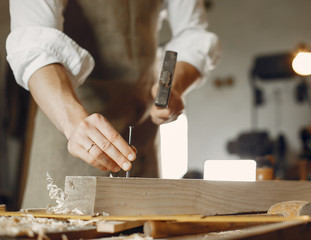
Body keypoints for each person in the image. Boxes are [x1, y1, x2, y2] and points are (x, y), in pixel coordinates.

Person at [6, 0, 220, 208]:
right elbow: (33, 44)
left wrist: (175, 87)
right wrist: (72, 123)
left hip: (143, 132)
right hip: (70, 129)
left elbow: (192, 35)